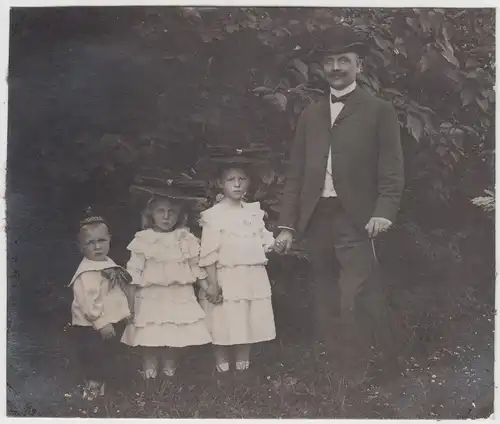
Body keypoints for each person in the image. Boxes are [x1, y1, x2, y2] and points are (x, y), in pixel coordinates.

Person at [274, 25, 405, 386]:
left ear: (358, 65)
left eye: (343, 61)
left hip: (357, 219)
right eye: (329, 61)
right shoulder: (311, 115)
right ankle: (335, 366)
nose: (336, 67)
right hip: (317, 219)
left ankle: (358, 370)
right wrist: (287, 225)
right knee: (325, 296)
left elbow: (392, 171)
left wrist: (383, 211)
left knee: (356, 295)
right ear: (321, 68)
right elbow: (296, 174)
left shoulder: (379, 110)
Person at [120, 193, 213, 378]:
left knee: (174, 333)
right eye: (160, 211)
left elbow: (195, 266)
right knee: (150, 335)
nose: (166, 216)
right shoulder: (144, 238)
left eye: (171, 212)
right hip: (151, 297)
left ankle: (170, 373)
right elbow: (133, 273)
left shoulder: (185, 237)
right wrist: (129, 304)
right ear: (151, 214)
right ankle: (150, 375)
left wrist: (207, 287)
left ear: (179, 215)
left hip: (178, 296)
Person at [198, 164, 277, 373]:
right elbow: (208, 254)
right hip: (225, 277)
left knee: (245, 319)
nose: (237, 184)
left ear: (248, 183)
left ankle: (243, 369)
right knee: (223, 320)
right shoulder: (213, 216)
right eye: (231, 180)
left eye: (241, 179)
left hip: (250, 276)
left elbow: (264, 240)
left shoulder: (253, 213)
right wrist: (213, 284)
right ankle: (222, 369)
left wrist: (276, 243)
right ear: (221, 184)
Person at [69, 209, 132, 399]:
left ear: (109, 239)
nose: (97, 247)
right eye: (90, 243)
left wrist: (124, 312)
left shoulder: (107, 263)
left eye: (101, 241)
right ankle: (93, 387)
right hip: (92, 325)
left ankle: (108, 385)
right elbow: (88, 303)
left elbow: (115, 293)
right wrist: (101, 323)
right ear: (81, 247)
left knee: (108, 354)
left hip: (109, 322)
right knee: (94, 356)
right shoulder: (87, 272)